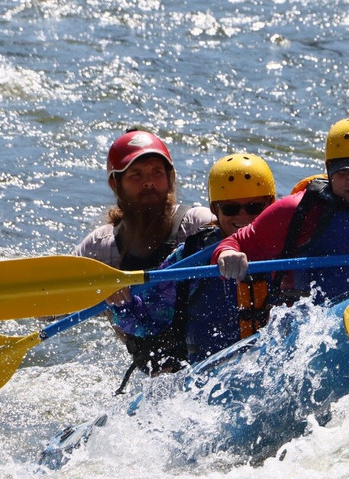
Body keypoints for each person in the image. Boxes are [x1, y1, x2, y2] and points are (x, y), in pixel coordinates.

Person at [109, 154, 277, 385]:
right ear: (214, 210)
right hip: (209, 382)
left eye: (254, 206)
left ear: (271, 205)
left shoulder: (290, 247)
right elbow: (147, 322)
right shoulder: (191, 257)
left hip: (274, 369)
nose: (243, 217)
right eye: (230, 208)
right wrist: (123, 304)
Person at [74, 128, 217, 378]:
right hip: (153, 377)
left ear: (170, 178)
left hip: (209, 358)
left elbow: (242, 234)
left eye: (156, 172)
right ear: (115, 184)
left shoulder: (196, 224)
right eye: (136, 175)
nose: (148, 182)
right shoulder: (101, 246)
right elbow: (54, 306)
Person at [214, 117, 349, 305]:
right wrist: (226, 254)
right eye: (342, 171)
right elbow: (236, 242)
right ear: (328, 168)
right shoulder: (299, 210)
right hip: (314, 325)